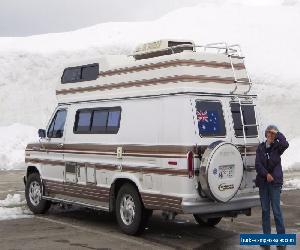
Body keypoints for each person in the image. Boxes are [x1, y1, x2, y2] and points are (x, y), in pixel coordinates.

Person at [255, 125, 289, 235]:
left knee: (276, 210)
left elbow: (285, 144)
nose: (270, 135)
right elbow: (258, 164)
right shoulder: (260, 148)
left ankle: (281, 237)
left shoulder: (278, 147)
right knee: (265, 211)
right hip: (263, 183)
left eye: (272, 134)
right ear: (266, 134)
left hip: (275, 183)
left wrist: (277, 133)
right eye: (269, 133)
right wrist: (266, 175)